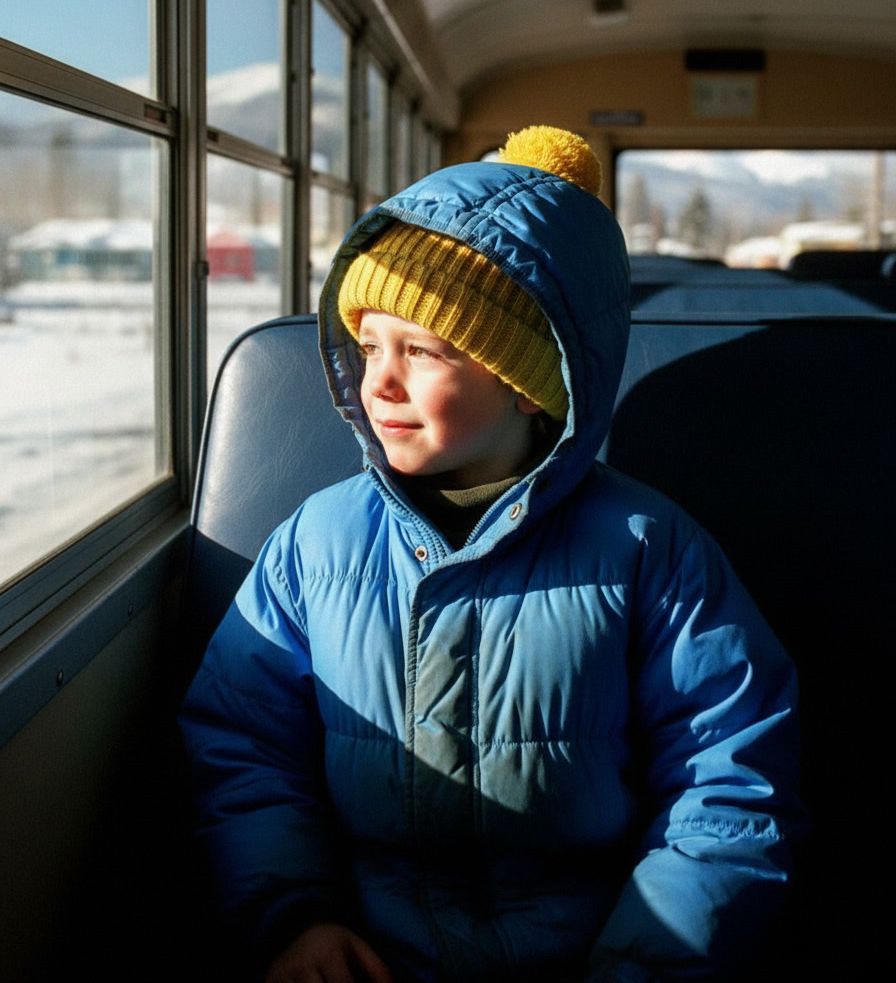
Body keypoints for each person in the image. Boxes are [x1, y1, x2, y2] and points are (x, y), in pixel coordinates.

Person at [180, 127, 802, 983]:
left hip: (593, 947)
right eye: (368, 348)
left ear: (526, 379)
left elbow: (730, 780)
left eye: (423, 351)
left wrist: (642, 965)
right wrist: (295, 915)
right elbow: (245, 745)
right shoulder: (315, 543)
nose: (379, 383)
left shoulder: (648, 550)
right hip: (365, 946)